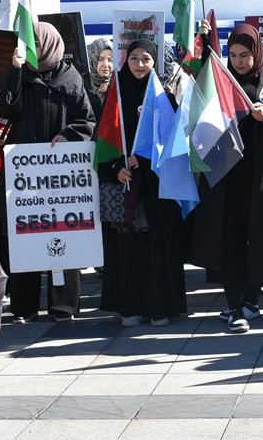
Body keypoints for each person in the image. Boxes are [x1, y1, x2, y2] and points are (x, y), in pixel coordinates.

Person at [189, 24, 263, 333]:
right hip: (226, 176)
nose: (239, 62)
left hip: (262, 177)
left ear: (257, 53)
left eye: (245, 55)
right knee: (229, 239)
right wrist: (206, 39)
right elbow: (201, 92)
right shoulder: (220, 84)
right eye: (234, 55)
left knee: (259, 238)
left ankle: (251, 299)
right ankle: (233, 304)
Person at [0, 22, 96, 323]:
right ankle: (24, 306)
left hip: (59, 176)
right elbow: (6, 109)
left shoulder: (71, 77)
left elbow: (87, 120)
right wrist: (13, 71)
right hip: (26, 176)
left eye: (34, 44)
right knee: (25, 237)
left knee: (62, 233)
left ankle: (63, 305)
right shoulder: (20, 74)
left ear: (49, 45)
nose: (30, 50)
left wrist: (69, 135)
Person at [99, 38, 186, 328]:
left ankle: (159, 307)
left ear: (155, 63)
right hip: (126, 191)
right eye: (134, 58)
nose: (139, 65)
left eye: (146, 59)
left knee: (156, 249)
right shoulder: (115, 95)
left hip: (155, 191)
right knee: (127, 250)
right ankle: (130, 307)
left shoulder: (164, 98)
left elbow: (173, 147)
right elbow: (102, 142)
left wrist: (145, 160)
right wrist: (116, 167)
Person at [84, 37, 114, 121]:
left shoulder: (118, 85)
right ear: (92, 58)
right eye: (100, 59)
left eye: (110, 60)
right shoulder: (82, 84)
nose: (106, 64)